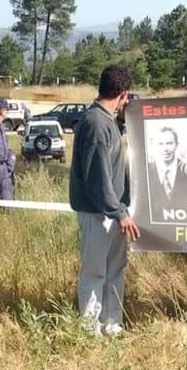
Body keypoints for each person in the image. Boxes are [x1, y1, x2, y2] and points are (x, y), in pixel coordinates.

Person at [69, 65, 140, 337]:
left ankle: (112, 325)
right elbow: (98, 180)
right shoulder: (97, 125)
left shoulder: (107, 121)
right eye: (127, 99)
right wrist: (119, 212)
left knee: (114, 271)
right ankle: (90, 330)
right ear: (122, 95)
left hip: (113, 213)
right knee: (95, 271)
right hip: (99, 214)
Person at [147, 125, 187, 221]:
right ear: (153, 145)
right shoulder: (144, 173)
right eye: (160, 144)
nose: (165, 148)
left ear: (177, 144)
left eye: (169, 143)